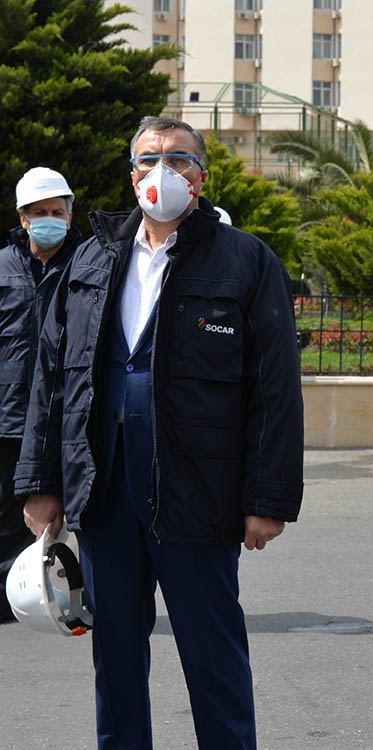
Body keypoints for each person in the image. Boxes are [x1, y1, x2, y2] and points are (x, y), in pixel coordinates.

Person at [17, 116, 304, 748]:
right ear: (131, 175)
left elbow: (277, 389)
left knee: (213, 655)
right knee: (115, 656)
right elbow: (51, 377)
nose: (161, 173)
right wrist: (41, 482)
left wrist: (269, 500)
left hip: (198, 490)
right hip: (106, 488)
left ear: (200, 179)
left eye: (177, 161)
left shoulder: (244, 261)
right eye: (148, 160)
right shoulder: (91, 259)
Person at [0, 167, 82, 623]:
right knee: (7, 518)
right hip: (8, 418)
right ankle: (11, 602)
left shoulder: (87, 266)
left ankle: (67, 595)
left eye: (57, 211)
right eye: (39, 212)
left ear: (70, 217)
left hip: (65, 417)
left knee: (68, 517)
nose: (49, 219)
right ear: (23, 217)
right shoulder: (3, 267)